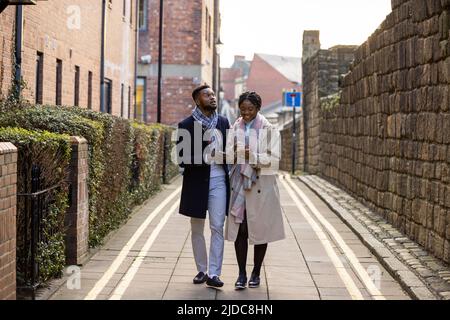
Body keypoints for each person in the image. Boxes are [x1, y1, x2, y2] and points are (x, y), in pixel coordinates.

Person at [225, 91, 285, 290]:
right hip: (240, 184)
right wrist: (233, 152)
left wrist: (253, 155)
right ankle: (241, 273)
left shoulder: (270, 129)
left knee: (260, 231)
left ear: (258, 109)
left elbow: (274, 160)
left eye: (250, 109)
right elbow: (228, 156)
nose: (246, 113)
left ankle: (256, 272)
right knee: (241, 230)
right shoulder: (235, 127)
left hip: (261, 186)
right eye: (243, 109)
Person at [176, 84, 230, 288]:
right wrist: (205, 156)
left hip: (218, 182)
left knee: (217, 226)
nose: (212, 97)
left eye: (213, 94)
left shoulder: (224, 122)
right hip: (196, 182)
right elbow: (181, 158)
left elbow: (231, 151)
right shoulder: (186, 125)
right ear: (197, 100)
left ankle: (214, 274)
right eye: (207, 95)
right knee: (197, 228)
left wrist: (227, 156)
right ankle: (202, 270)